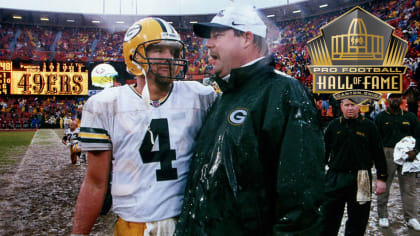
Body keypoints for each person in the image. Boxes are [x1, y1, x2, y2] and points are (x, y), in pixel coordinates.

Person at [174, 4, 325, 235]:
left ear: (246, 38)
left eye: (218, 35)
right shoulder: (227, 95)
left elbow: (300, 201)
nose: (208, 44)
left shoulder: (284, 92)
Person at [71, 17, 216, 235]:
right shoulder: (105, 104)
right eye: (158, 50)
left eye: (173, 51)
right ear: (133, 57)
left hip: (188, 221)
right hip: (134, 225)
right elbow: (95, 182)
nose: (169, 57)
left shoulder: (200, 96)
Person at [321, 98, 388, 235]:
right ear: (341, 106)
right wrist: (318, 174)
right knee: (328, 218)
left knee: (358, 220)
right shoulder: (333, 126)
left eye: (353, 105)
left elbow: (378, 153)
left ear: (359, 107)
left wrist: (381, 178)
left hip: (361, 178)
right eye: (347, 105)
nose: (350, 108)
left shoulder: (370, 126)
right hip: (336, 177)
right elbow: (324, 151)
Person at [375, 93, 420, 231]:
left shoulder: (410, 117)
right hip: (387, 152)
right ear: (387, 99)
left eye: (398, 96)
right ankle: (383, 215)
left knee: (409, 187)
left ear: (401, 99)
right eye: (392, 96)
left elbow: (419, 135)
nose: (395, 99)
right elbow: (375, 139)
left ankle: (411, 217)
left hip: (408, 154)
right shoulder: (380, 117)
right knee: (384, 185)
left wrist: (416, 151)